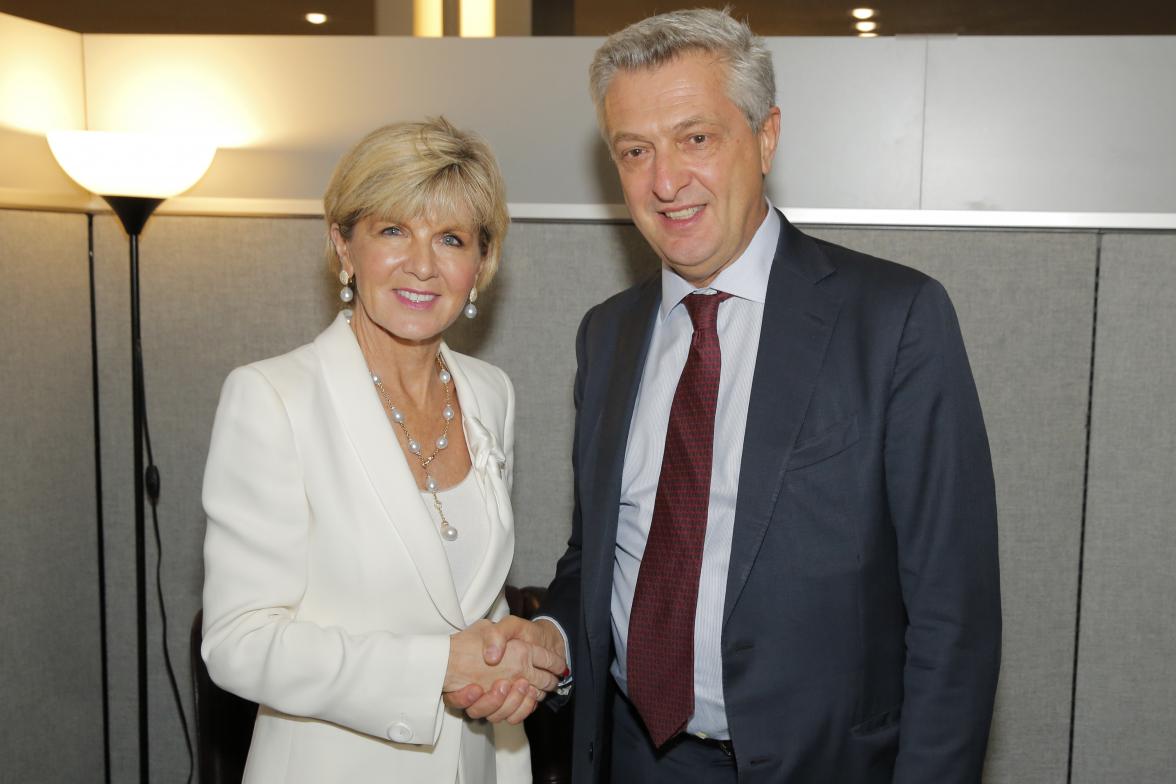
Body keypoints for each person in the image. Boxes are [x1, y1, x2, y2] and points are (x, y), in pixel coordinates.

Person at [453, 9, 1002, 783]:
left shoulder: (894, 321)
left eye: (696, 138)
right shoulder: (607, 336)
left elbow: (956, 617)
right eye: (634, 151)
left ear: (766, 136)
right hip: (638, 760)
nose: (665, 181)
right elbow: (602, 556)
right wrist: (556, 638)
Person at [200, 118, 565, 784]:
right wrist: (436, 669)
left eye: (450, 238)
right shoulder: (273, 398)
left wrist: (520, 652)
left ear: (480, 264)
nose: (423, 264)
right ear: (343, 245)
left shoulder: (490, 395)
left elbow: (467, 600)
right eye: (393, 230)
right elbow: (238, 644)